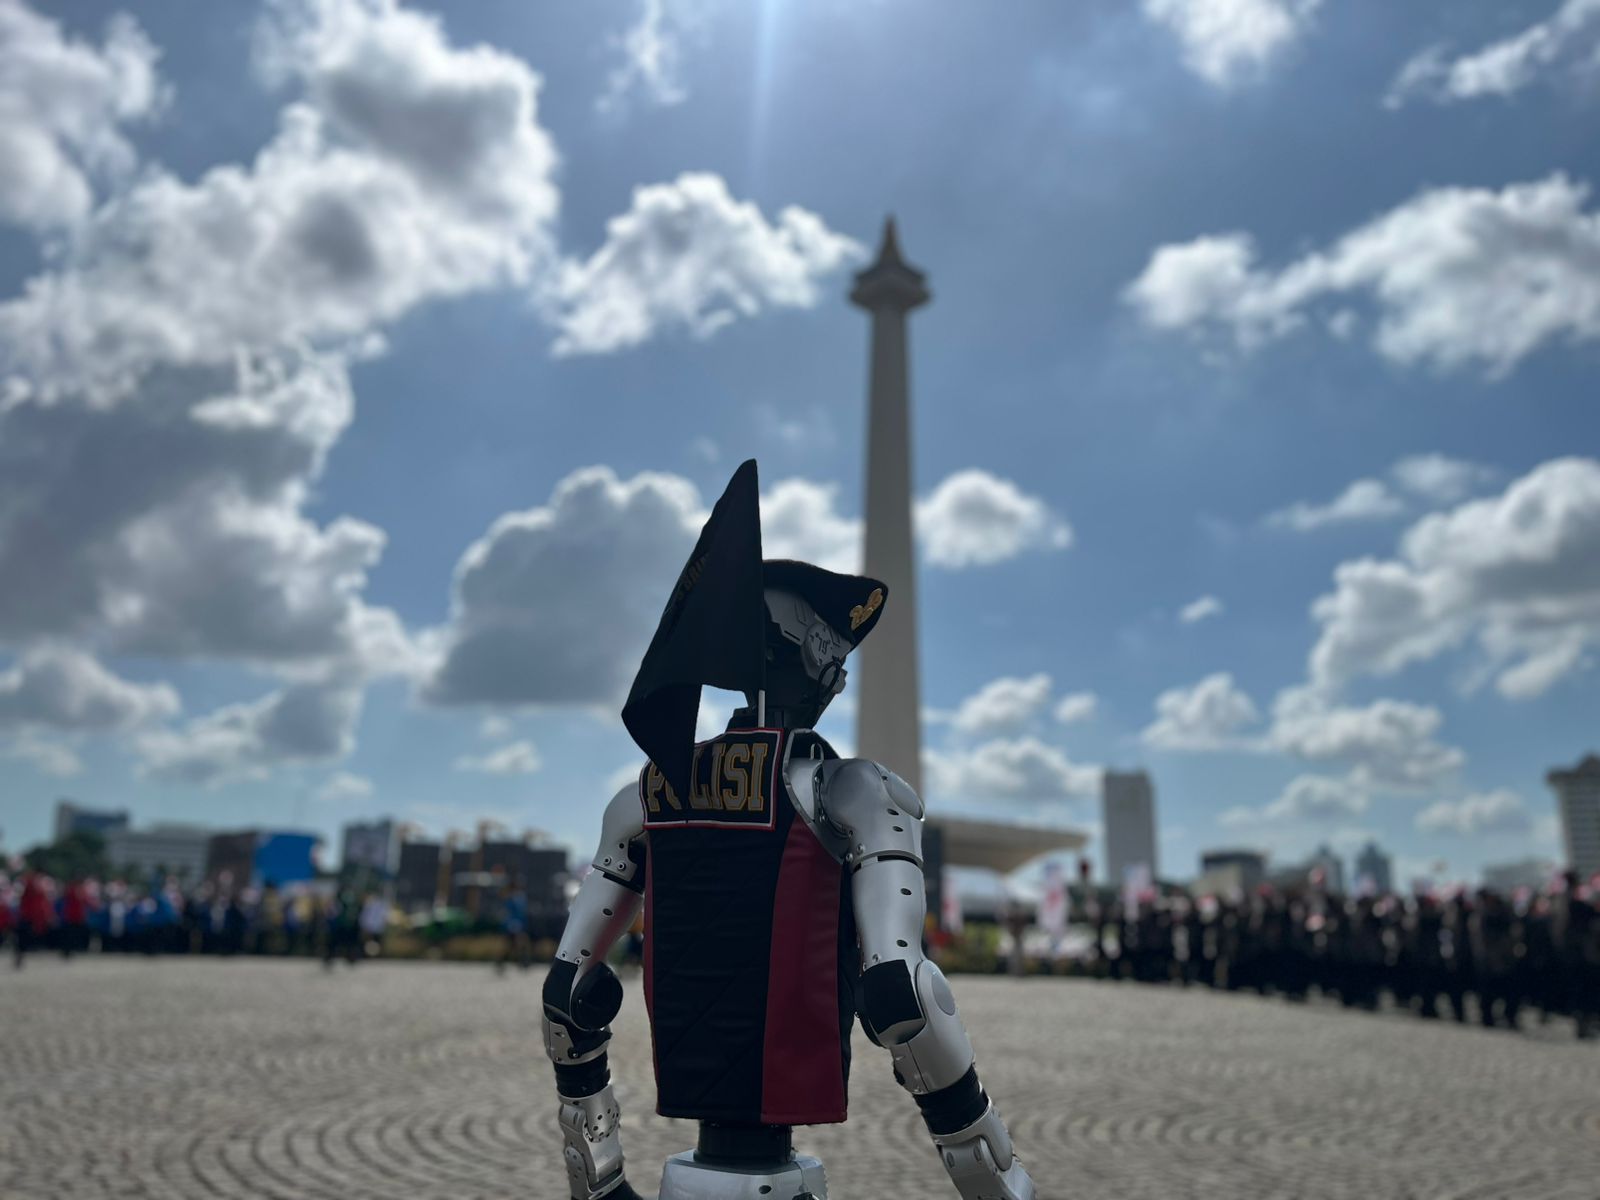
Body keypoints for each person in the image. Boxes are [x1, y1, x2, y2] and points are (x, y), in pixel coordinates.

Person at [538, 461, 1034, 1200]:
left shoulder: (646, 791)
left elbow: (566, 995)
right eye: (835, 655)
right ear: (812, 654)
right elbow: (905, 993)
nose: (841, 676)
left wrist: (598, 1176)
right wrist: (993, 1176)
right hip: (780, 1163)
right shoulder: (849, 790)